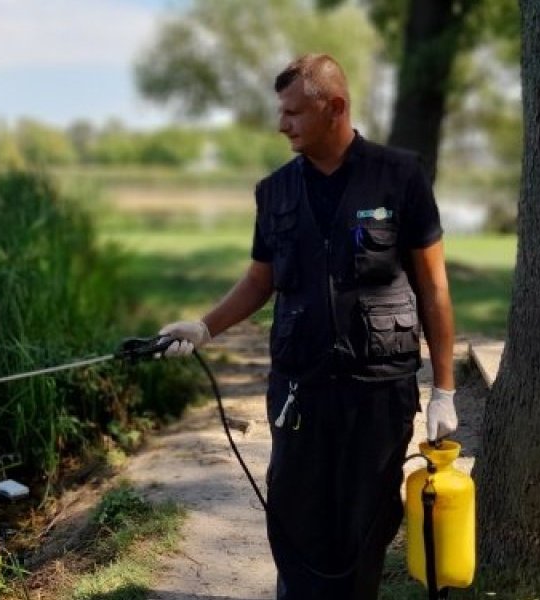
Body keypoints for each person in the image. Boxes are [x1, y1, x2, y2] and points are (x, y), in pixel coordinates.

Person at [159, 53, 458, 600]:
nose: (282, 125)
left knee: (364, 528)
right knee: (296, 520)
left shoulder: (400, 176)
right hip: (300, 389)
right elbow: (259, 280)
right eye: (282, 112)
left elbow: (433, 286)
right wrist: (203, 328)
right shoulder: (273, 191)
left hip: (378, 395)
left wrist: (444, 390)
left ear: (335, 108)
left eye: (294, 112)